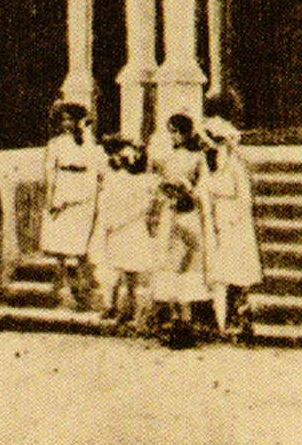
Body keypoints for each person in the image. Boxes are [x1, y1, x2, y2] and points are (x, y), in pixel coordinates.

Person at [148, 113, 211, 347]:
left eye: (176, 131)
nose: (173, 136)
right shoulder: (168, 158)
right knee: (169, 262)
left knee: (187, 263)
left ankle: (187, 322)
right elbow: (159, 184)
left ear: (186, 133)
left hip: (188, 213)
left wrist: (189, 192)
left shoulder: (197, 158)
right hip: (170, 212)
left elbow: (203, 186)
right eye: (170, 132)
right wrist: (165, 192)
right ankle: (174, 320)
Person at [199, 116, 262, 339]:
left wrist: (231, 221)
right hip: (215, 221)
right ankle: (221, 322)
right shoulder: (209, 168)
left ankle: (244, 320)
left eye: (215, 143)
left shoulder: (236, 166)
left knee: (238, 274)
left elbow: (244, 199)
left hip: (234, 225)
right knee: (220, 274)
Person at [40, 102, 105, 311]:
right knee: (59, 249)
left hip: (83, 195)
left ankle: (82, 295)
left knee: (78, 249)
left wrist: (91, 198)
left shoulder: (88, 144)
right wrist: (51, 200)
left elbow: (95, 172)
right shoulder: (55, 144)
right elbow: (50, 173)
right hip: (62, 192)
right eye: (63, 119)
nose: (66, 123)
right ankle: (60, 293)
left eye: (70, 119)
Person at [90, 139, 158, 328]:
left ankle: (131, 309)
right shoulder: (113, 177)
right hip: (113, 228)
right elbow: (105, 200)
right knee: (112, 270)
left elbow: (143, 207)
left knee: (130, 272)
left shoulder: (142, 180)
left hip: (131, 228)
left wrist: (121, 221)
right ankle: (111, 306)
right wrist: (107, 222)